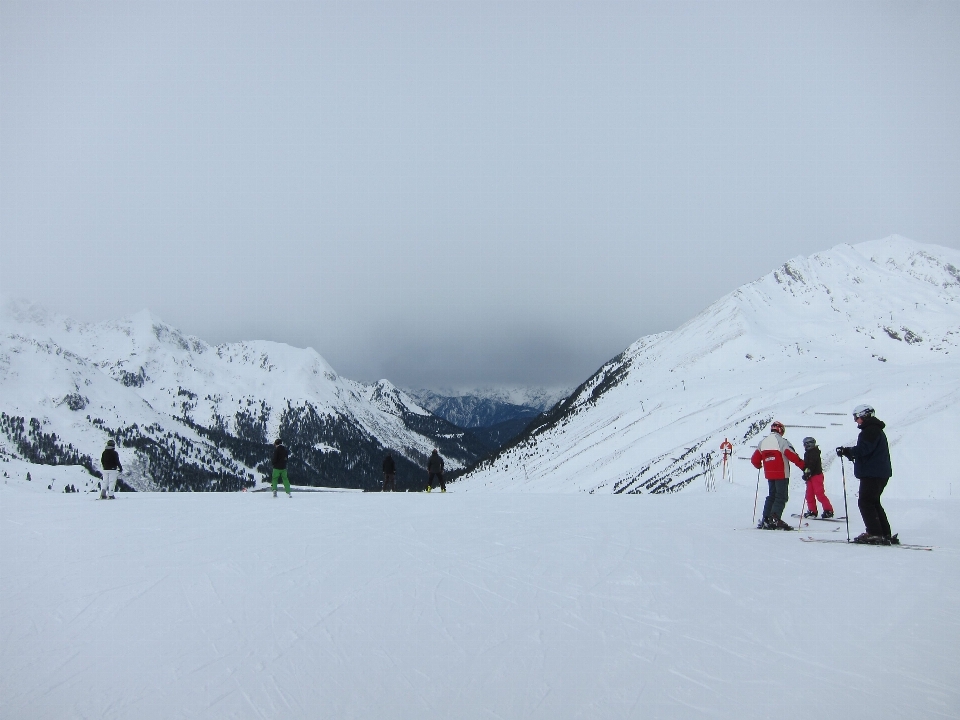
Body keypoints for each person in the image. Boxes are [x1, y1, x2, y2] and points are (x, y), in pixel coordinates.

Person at [837, 405, 897, 544]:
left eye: (856, 417)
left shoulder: (870, 430)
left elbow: (864, 449)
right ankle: (883, 533)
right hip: (878, 473)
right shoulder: (873, 429)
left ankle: (875, 533)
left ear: (864, 416)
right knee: (873, 502)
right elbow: (867, 451)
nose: (856, 421)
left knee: (865, 502)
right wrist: (850, 452)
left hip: (873, 474)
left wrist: (848, 451)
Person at [751, 421, 804, 530]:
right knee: (781, 496)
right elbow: (792, 456)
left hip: (769, 474)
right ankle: (775, 518)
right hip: (781, 473)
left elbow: (754, 459)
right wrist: (804, 467)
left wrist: (758, 465)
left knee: (771, 496)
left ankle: (766, 518)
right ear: (781, 430)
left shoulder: (763, 442)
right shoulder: (782, 442)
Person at [801, 437, 834, 519]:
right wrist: (806, 473)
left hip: (816, 475)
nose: (804, 446)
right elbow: (808, 465)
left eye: (805, 444)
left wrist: (808, 472)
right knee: (809, 495)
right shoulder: (808, 453)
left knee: (819, 494)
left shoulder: (814, 452)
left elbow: (812, 464)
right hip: (811, 476)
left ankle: (828, 510)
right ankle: (812, 511)